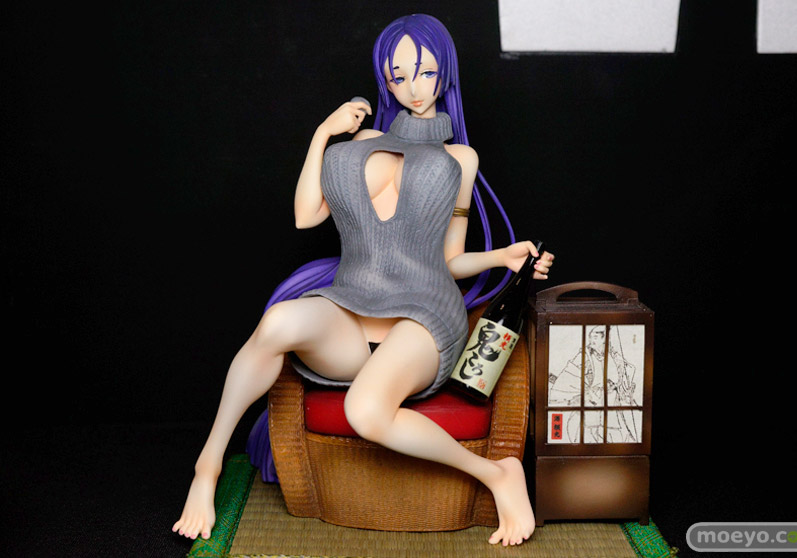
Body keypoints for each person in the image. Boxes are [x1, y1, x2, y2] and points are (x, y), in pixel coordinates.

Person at [173, 14, 554, 547]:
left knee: (366, 410)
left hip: (424, 316)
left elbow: (448, 260)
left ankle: (497, 475)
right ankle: (208, 464)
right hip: (351, 309)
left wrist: (501, 258)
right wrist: (323, 134)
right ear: (385, 80)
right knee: (278, 321)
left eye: (426, 72)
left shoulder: (460, 159)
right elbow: (306, 216)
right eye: (398, 76)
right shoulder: (364, 141)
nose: (413, 87)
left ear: (445, 72)